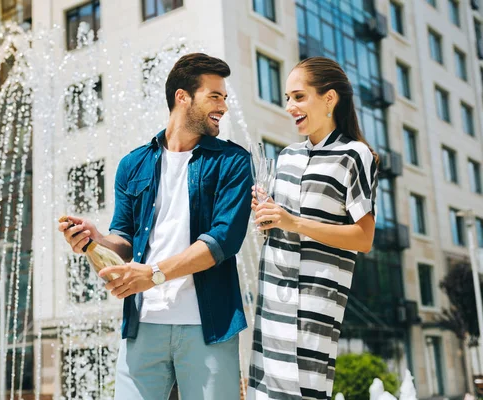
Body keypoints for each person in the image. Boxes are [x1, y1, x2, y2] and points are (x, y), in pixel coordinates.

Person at [58, 53, 252, 400]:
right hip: (143, 327)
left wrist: (154, 274)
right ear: (182, 97)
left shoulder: (233, 161)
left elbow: (223, 240)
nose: (223, 105)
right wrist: (94, 239)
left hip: (208, 326)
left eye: (224, 97)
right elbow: (125, 239)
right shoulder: (133, 164)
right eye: (215, 96)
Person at [247, 56, 379, 400]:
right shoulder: (286, 156)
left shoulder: (354, 155)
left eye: (298, 96)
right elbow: (276, 229)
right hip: (273, 299)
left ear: (329, 98)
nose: (290, 106)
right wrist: (266, 216)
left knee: (306, 392)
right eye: (287, 99)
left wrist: (293, 221)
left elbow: (364, 238)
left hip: (315, 305)